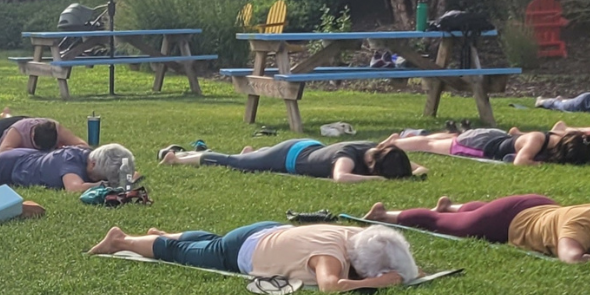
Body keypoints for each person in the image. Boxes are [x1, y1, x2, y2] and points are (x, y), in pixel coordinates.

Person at [86, 221, 420, 292]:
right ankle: (122, 241)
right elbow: (331, 287)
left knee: (209, 240)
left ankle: (162, 235)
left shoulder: (352, 234)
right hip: (242, 251)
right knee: (180, 254)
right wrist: (380, 281)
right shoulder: (329, 258)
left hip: (265, 231)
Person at [364, 196, 590, 263]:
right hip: (514, 219)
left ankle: (454, 204)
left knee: (473, 215)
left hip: (541, 207)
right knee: (455, 227)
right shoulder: (579, 228)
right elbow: (573, 259)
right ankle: (388, 212)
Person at [158, 135, 419, 181]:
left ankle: (254, 154)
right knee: (234, 163)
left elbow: (419, 168)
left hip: (306, 147)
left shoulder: (377, 149)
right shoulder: (348, 157)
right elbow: (341, 178)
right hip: (289, 156)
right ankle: (177, 159)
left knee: (249, 160)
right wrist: (378, 183)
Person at [394, 127, 590, 166]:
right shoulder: (537, 139)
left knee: (451, 137)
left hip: (496, 137)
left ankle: (410, 134)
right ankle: (394, 143)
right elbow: (521, 162)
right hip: (483, 145)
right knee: (430, 145)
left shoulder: (560, 140)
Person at [0, 143, 136, 193]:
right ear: (92, 164)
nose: (98, 180)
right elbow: (74, 188)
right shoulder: (71, 164)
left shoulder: (93, 158)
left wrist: (124, 179)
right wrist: (109, 186)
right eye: (97, 177)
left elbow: (129, 171)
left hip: (29, 157)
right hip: (9, 165)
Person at [0, 112, 88, 151]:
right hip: (1, 131)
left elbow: (83, 145)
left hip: (23, 120)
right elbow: (4, 150)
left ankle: (7, 115)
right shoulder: (18, 132)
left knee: (16, 121)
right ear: (32, 135)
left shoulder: (56, 128)